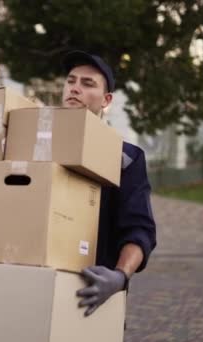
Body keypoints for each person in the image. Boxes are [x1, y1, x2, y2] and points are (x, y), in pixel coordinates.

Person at [60, 50, 157, 317]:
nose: (75, 88)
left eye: (87, 84)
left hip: (92, 295)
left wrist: (119, 276)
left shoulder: (125, 158)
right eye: (71, 81)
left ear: (106, 100)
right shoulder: (37, 145)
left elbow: (140, 230)